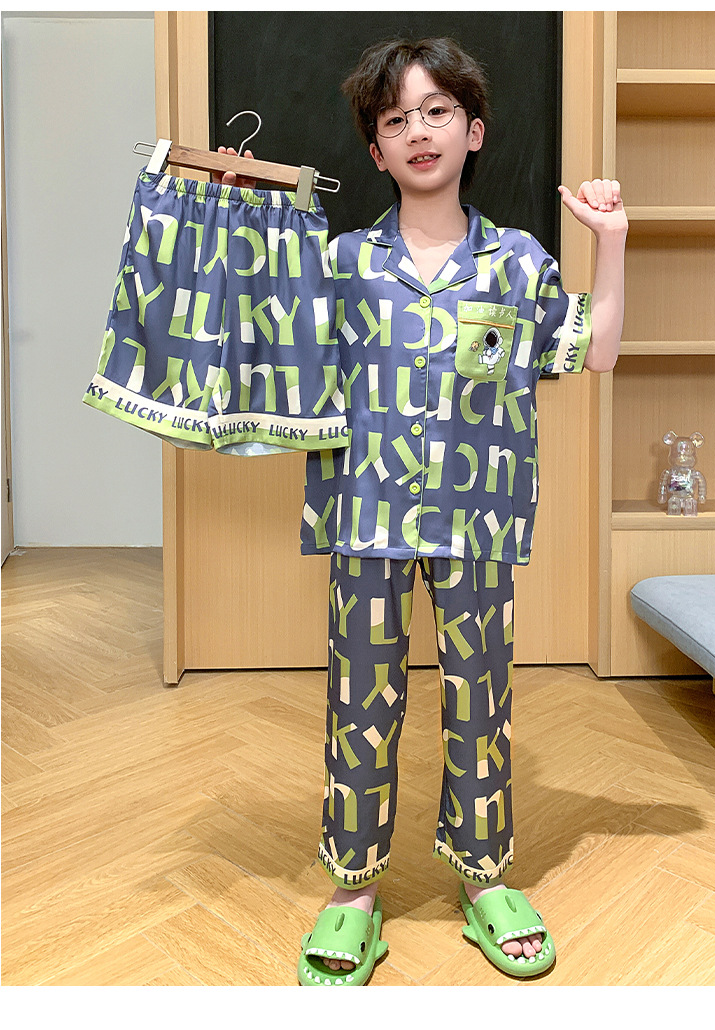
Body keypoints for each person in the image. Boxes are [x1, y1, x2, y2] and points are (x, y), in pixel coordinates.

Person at [215, 36, 627, 986]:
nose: (418, 130)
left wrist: (610, 241)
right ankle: (354, 890)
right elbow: (260, 345)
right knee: (359, 699)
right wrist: (238, 222)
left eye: (437, 110)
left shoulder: (517, 261)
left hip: (478, 520)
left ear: (473, 130)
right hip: (365, 516)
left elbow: (594, 350)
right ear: (375, 150)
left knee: (482, 699)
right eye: (396, 118)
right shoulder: (340, 263)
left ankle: (485, 878)